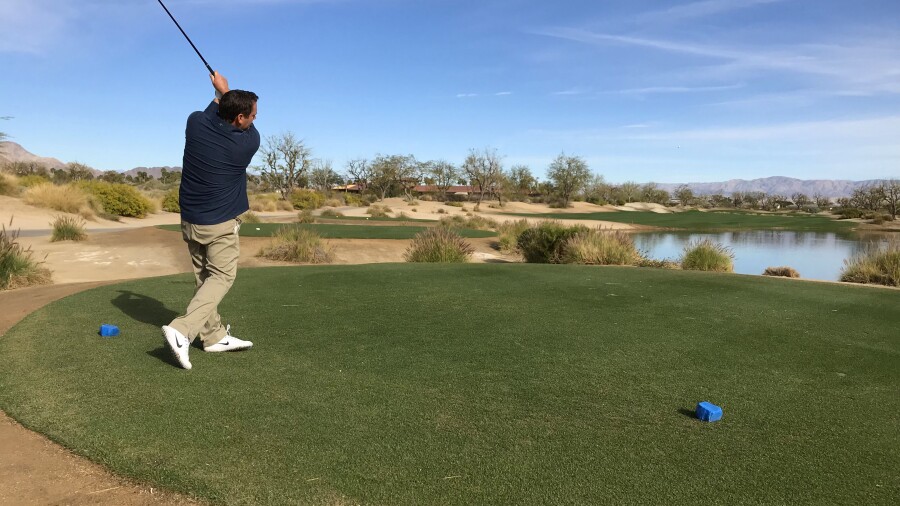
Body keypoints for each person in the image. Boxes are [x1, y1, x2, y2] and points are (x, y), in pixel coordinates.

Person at [162, 72, 260, 370]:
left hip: (190, 218)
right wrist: (224, 92)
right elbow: (233, 121)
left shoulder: (195, 123)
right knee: (222, 277)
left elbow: (214, 113)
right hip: (219, 223)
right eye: (253, 115)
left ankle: (214, 336)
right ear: (240, 118)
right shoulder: (248, 143)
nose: (255, 120)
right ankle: (182, 330)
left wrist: (221, 94)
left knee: (204, 277)